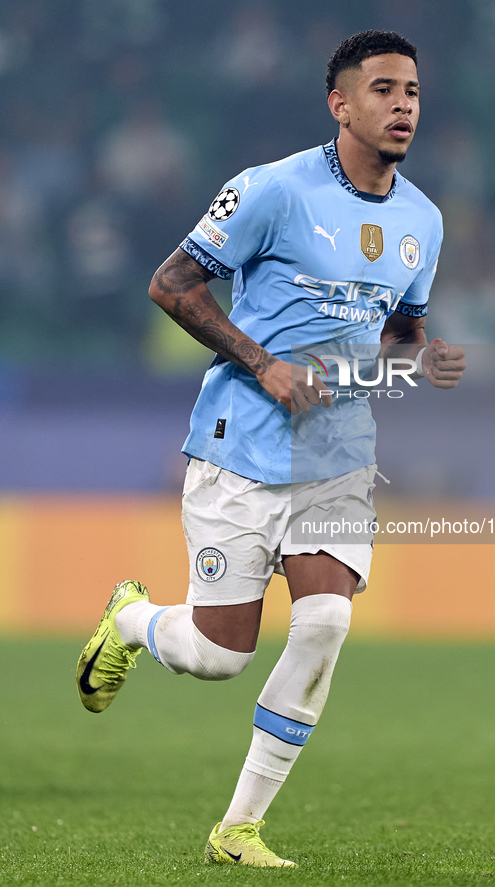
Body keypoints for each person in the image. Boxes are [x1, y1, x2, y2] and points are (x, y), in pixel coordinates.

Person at [76, 29, 466, 867]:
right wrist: (267, 365)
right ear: (340, 103)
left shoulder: (422, 220)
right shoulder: (270, 190)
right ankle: (133, 621)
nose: (402, 106)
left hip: (337, 449)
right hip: (239, 441)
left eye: (413, 93)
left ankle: (238, 828)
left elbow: (405, 324)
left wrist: (406, 360)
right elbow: (170, 284)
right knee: (219, 655)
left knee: (325, 619)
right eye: (384, 90)